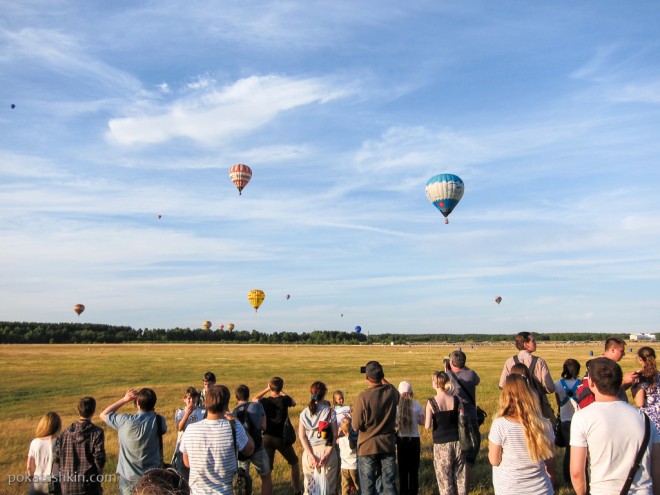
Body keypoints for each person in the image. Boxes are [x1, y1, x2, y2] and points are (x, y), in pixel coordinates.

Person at [570, 357, 660, 495]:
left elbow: (577, 471)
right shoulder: (644, 418)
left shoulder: (582, 417)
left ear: (591, 383)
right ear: (619, 381)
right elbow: (656, 465)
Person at [180, 384, 254, 495]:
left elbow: (187, 463)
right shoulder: (233, 427)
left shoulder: (190, 429)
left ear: (205, 403)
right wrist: (237, 421)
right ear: (226, 405)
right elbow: (250, 449)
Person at [488, 374, 556, 495]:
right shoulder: (544, 424)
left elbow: (494, 460)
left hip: (509, 489)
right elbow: (550, 461)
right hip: (541, 489)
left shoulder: (501, 425)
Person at [100, 388, 166, 495]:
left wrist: (124, 399)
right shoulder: (159, 420)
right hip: (152, 476)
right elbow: (163, 430)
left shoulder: (124, 421)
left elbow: (103, 415)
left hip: (128, 477)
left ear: (137, 404)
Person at [352, 361, 400, 495]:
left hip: (367, 447)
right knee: (389, 485)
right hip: (387, 445)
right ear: (382, 375)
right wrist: (382, 378)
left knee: (368, 486)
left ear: (367, 377)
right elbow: (397, 396)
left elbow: (355, 426)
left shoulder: (362, 397)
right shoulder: (390, 392)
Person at [254, 376, 302, 495]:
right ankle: (297, 490)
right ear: (281, 388)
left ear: (270, 387)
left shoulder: (265, 401)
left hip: (266, 437)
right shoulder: (284, 400)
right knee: (294, 462)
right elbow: (294, 403)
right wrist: (281, 391)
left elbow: (254, 399)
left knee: (268, 470)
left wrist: (266, 389)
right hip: (281, 437)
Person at [499, 332, 555, 425]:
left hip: (515, 406)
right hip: (538, 406)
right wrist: (538, 389)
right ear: (526, 344)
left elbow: (502, 385)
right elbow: (551, 388)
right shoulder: (540, 362)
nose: (536, 343)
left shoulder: (509, 362)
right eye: (533, 340)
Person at [54, 396, 106, 495]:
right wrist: (98, 478)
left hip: (67, 484)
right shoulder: (97, 432)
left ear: (78, 411)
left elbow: (56, 459)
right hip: (89, 485)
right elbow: (100, 459)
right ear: (93, 411)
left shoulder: (65, 433)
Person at [445, 350, 481, 487]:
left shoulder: (447, 376)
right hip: (471, 417)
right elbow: (477, 380)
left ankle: (455, 484)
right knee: (470, 456)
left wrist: (446, 370)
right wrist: (464, 366)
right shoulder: (471, 374)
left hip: (454, 419)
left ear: (451, 362)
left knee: (456, 455)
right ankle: (467, 486)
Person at [425, 371, 465, 495]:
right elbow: (462, 419)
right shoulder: (456, 400)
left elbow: (427, 426)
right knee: (460, 479)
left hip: (441, 445)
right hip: (458, 443)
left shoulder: (431, 402)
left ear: (437, 384)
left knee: (445, 481)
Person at [298, 381, 338, 495]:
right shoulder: (330, 411)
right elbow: (334, 434)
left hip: (309, 451)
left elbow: (302, 436)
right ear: (324, 394)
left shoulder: (304, 413)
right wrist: (327, 454)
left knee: (310, 488)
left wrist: (310, 455)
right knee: (328, 488)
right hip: (327, 450)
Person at [232, 384, 273, 495]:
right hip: (257, 447)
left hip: (242, 450)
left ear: (236, 397)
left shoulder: (233, 413)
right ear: (248, 395)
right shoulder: (257, 406)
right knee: (266, 477)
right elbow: (264, 427)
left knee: (242, 478)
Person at [576, 336, 638, 407]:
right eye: (621, 351)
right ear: (613, 350)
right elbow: (603, 391)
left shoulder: (608, 367)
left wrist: (627, 384)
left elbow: (611, 391)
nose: (624, 354)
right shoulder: (599, 368)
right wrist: (623, 381)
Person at [554, 358, 580, 489]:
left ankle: (567, 477)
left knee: (568, 451)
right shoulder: (581, 384)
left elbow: (558, 403)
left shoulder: (558, 384)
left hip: (565, 420)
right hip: (579, 420)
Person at [396, 380, 424, 495]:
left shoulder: (397, 408)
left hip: (402, 440)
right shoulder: (417, 405)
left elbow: (394, 424)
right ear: (411, 392)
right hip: (414, 440)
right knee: (413, 471)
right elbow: (422, 422)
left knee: (402, 472)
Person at [173, 387, 206, 481]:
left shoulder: (202, 411)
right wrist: (187, 413)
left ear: (197, 399)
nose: (191, 400)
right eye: (188, 398)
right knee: (183, 478)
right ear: (184, 399)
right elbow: (179, 428)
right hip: (182, 449)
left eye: (193, 398)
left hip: (198, 448)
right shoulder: (180, 412)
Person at [27, 411, 62, 495]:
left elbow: (29, 467)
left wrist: (32, 480)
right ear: (58, 426)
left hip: (38, 480)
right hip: (54, 480)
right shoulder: (60, 442)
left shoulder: (35, 442)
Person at [632, 347, 660, 432]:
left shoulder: (639, 377)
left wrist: (634, 387)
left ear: (640, 359)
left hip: (650, 420)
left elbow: (640, 402)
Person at [338, 417, 359, 495]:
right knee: (357, 485)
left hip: (344, 466)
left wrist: (339, 432)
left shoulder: (340, 440)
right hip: (354, 466)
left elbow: (335, 441)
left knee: (345, 487)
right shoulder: (355, 439)